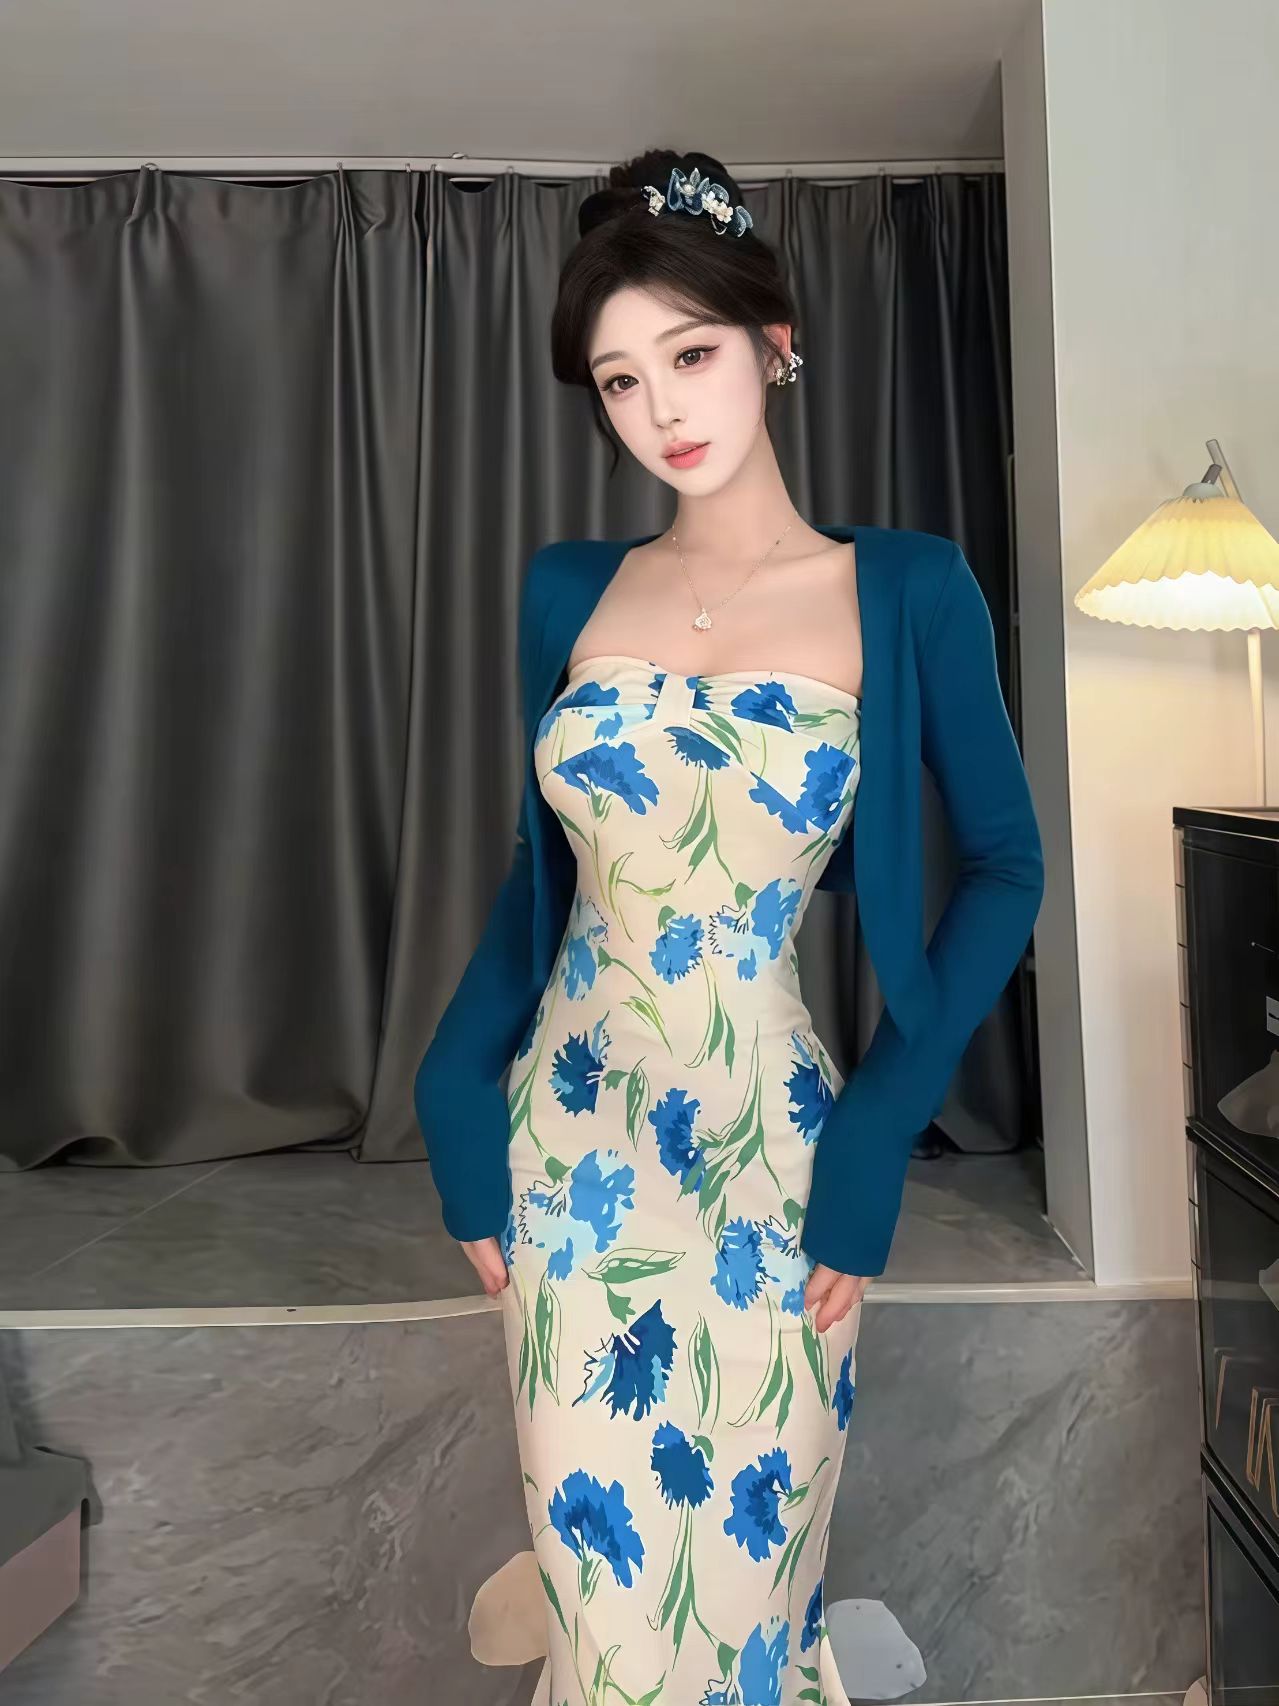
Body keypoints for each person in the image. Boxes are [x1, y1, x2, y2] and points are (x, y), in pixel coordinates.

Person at [415, 147, 1044, 1706]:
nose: (662, 411)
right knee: (613, 1614)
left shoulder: (906, 590)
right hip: (572, 1159)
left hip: (774, 1162)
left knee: (744, 1605)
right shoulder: (568, 590)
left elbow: (1007, 866)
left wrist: (877, 1132)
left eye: (689, 355)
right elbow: (542, 873)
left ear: (774, 340)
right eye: (620, 382)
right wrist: (449, 1084)